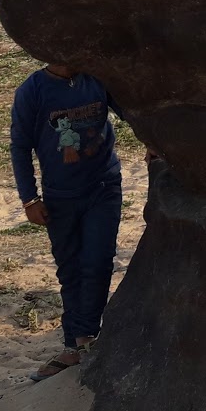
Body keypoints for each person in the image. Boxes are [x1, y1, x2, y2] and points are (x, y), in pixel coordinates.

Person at [10, 62, 123, 381]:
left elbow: (136, 111)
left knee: (98, 262)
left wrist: (156, 143)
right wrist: (29, 199)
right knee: (70, 268)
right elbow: (20, 146)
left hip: (104, 187)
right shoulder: (32, 91)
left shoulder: (98, 76)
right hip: (59, 199)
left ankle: (85, 338)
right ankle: (75, 344)